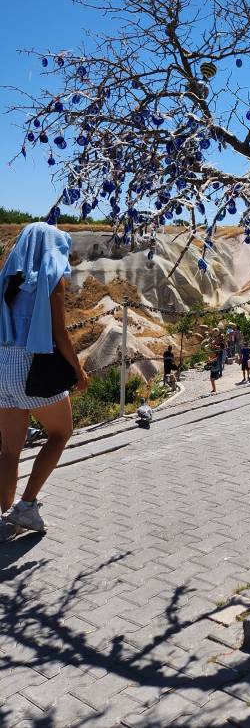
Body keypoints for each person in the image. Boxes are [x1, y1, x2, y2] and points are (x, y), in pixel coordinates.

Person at [0, 222, 89, 540]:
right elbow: (59, 332)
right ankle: (26, 506)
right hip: (30, 364)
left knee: (10, 450)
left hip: (2, 364)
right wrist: (77, 370)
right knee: (61, 432)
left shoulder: (9, 277)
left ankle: (3, 519)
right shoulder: (51, 280)